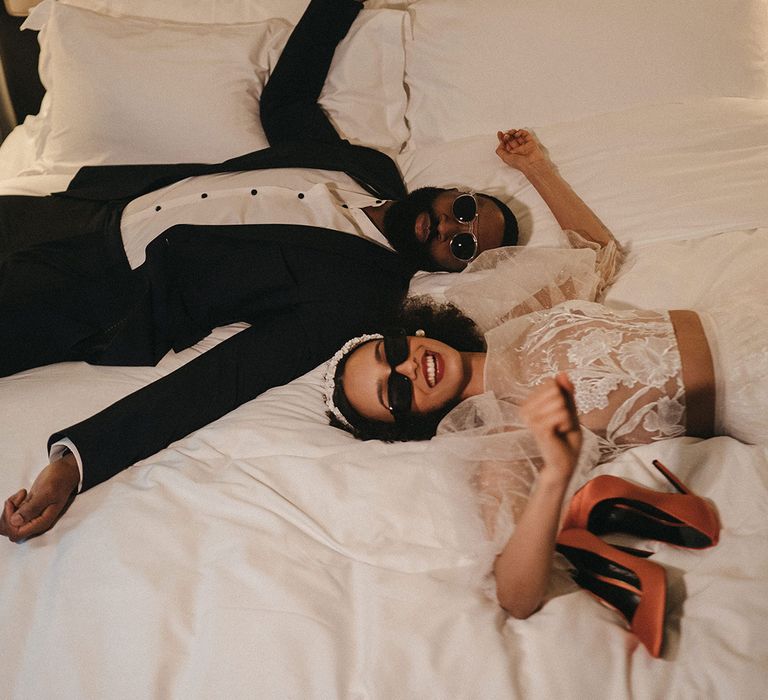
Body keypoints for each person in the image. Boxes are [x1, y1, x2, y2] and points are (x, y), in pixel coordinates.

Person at [0, 0, 522, 543]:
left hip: (102, 289)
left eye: (463, 247)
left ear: (453, 268)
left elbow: (230, 376)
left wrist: (75, 462)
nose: (447, 229)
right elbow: (286, 101)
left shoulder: (363, 294)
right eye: (465, 211)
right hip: (74, 209)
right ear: (455, 190)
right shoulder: (368, 168)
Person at [322, 171, 766, 650]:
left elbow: (597, 251)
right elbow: (515, 594)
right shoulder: (500, 434)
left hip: (741, 311)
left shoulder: (503, 317)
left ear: (411, 334)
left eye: (390, 352)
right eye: (397, 394)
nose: (408, 369)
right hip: (749, 392)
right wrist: (556, 476)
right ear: (413, 422)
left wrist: (536, 166)